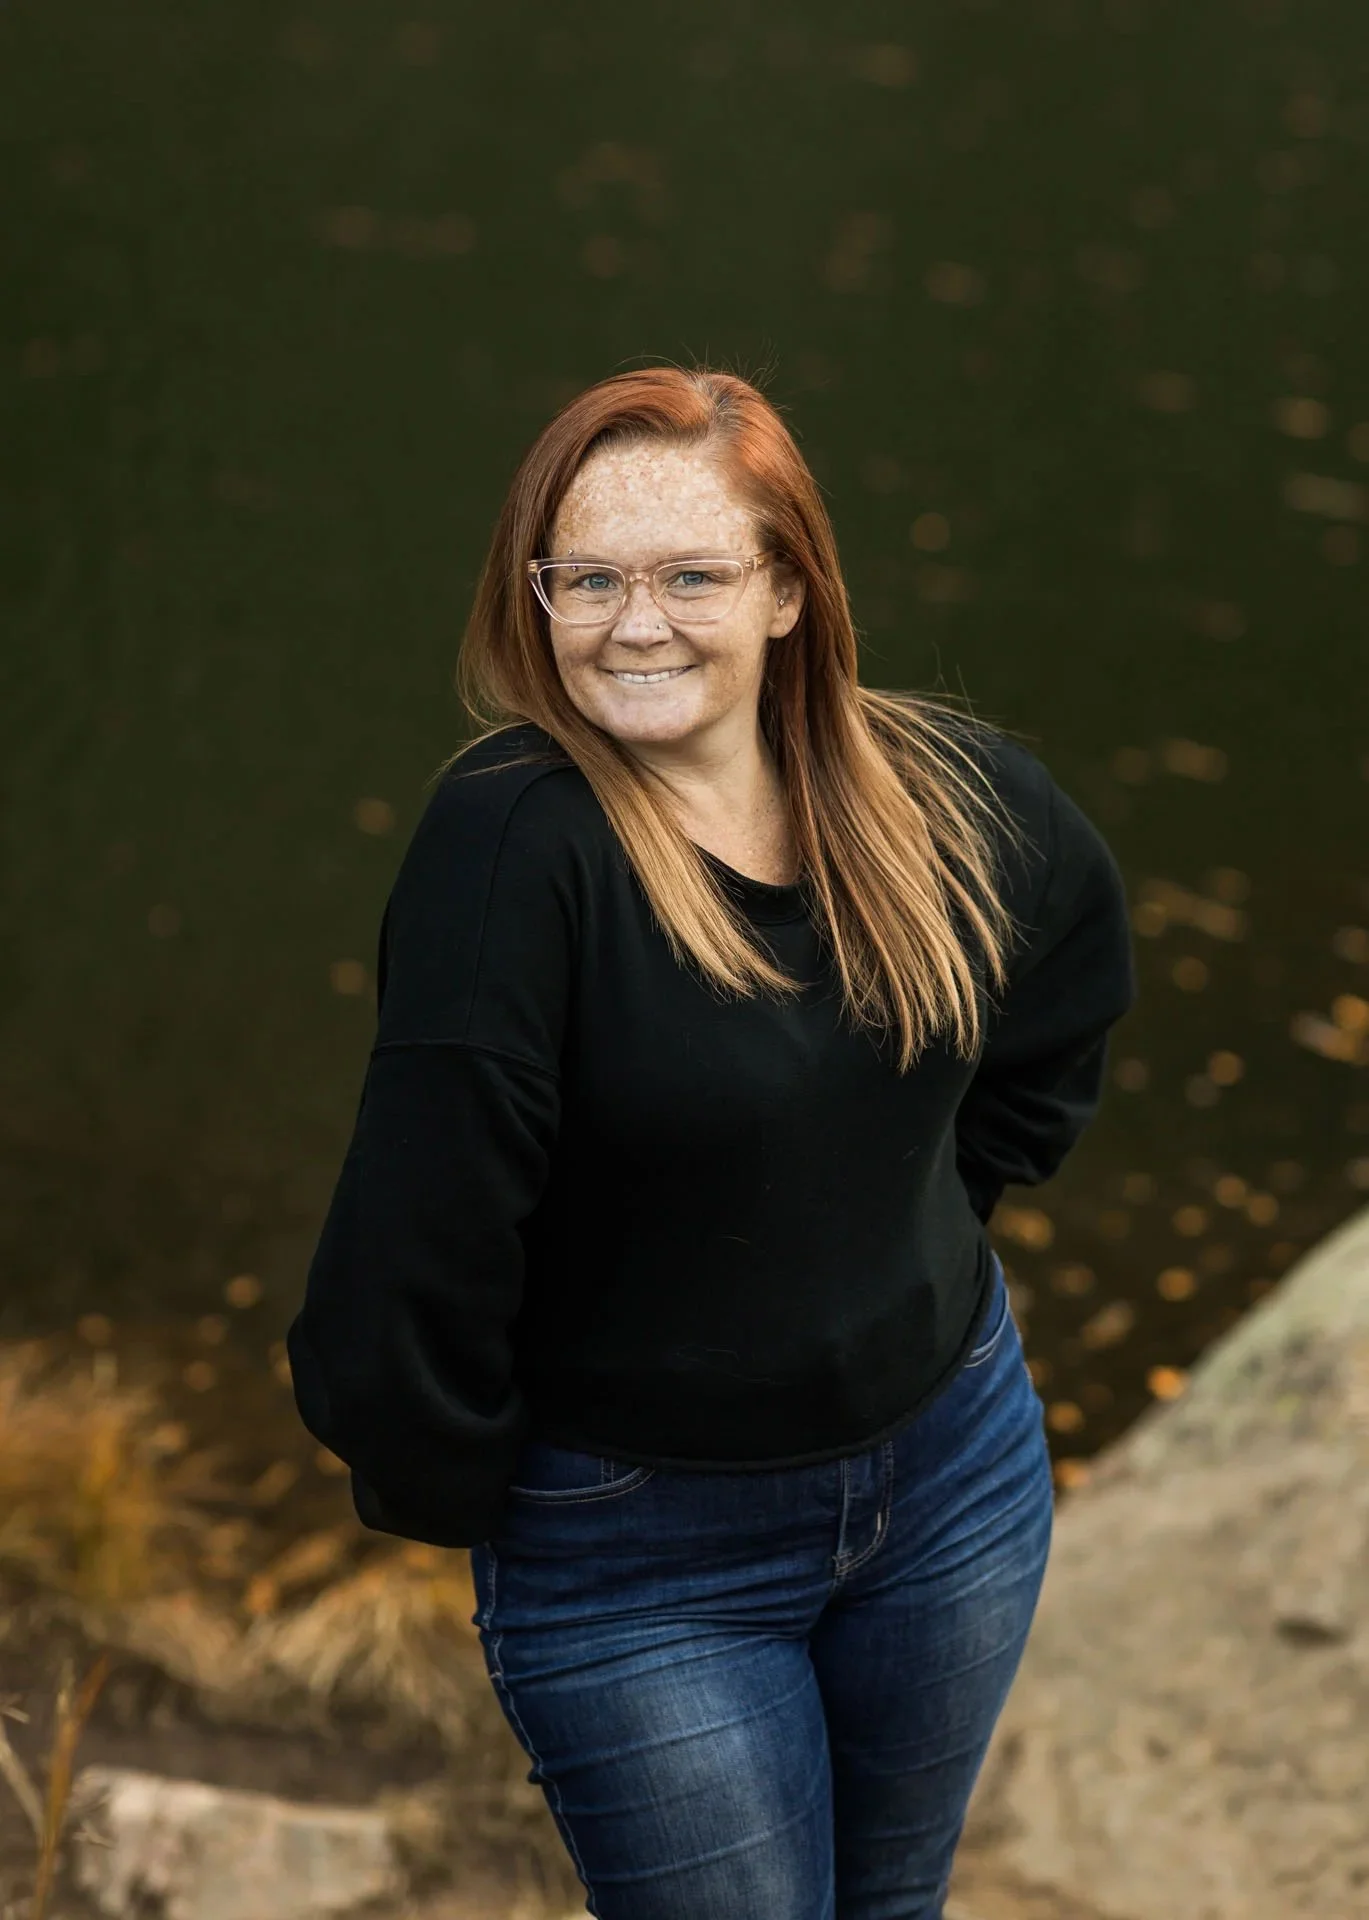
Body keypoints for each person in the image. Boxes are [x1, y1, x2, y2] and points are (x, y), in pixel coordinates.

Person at [286, 365, 1137, 1919]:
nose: (635, 623)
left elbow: (1073, 963)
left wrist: (948, 1205)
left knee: (894, 1907)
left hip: (953, 1478)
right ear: (531, 595)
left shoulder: (925, 789)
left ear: (790, 593)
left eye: (692, 575)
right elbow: (415, 1241)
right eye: (587, 579)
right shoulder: (513, 847)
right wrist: (491, 1492)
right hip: (641, 1561)